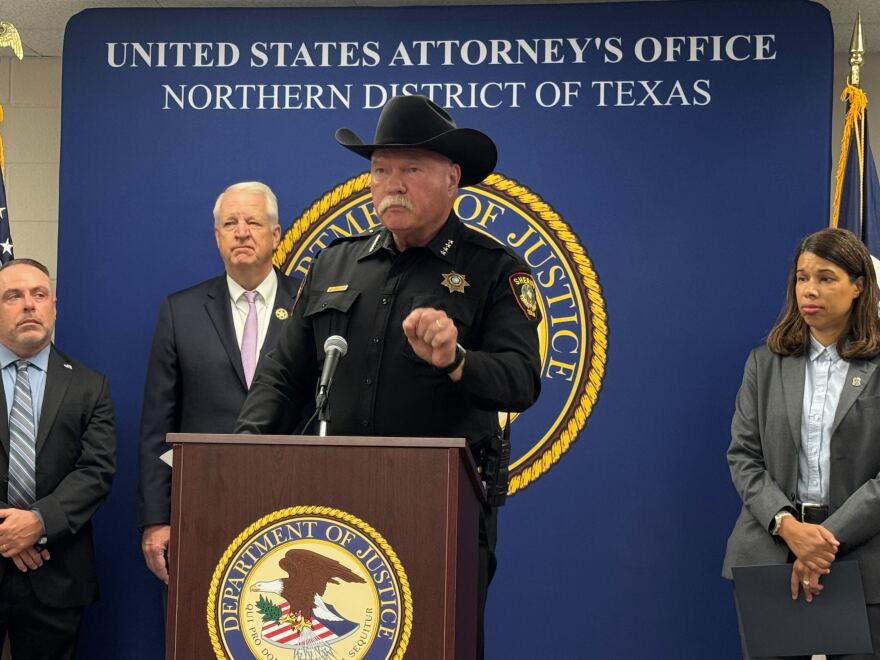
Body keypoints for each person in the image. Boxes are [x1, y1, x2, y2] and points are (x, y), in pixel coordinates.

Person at [235, 94, 542, 658]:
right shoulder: (335, 261)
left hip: (439, 510)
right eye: (381, 170)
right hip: (329, 505)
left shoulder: (494, 269)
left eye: (411, 169)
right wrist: (244, 450)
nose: (391, 183)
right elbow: (282, 374)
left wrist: (458, 360)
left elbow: (522, 381)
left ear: (452, 179)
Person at [724, 227, 880, 659]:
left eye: (826, 278)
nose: (809, 290)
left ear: (858, 287)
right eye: (801, 277)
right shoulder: (765, 363)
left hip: (865, 557)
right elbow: (743, 457)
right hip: (772, 551)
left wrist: (824, 541)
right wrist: (789, 528)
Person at [137, 181, 299, 584]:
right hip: (202, 505)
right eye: (230, 223)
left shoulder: (308, 304)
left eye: (253, 222)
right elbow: (159, 426)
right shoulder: (181, 311)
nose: (241, 232)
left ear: (276, 234)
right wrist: (157, 519)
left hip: (295, 502)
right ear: (217, 236)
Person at [0, 258, 116, 659]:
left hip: (57, 571)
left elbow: (97, 470)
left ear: (54, 306)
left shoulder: (89, 385)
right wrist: (7, 531)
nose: (29, 305)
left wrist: (37, 522)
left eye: (39, 294)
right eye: (13, 296)